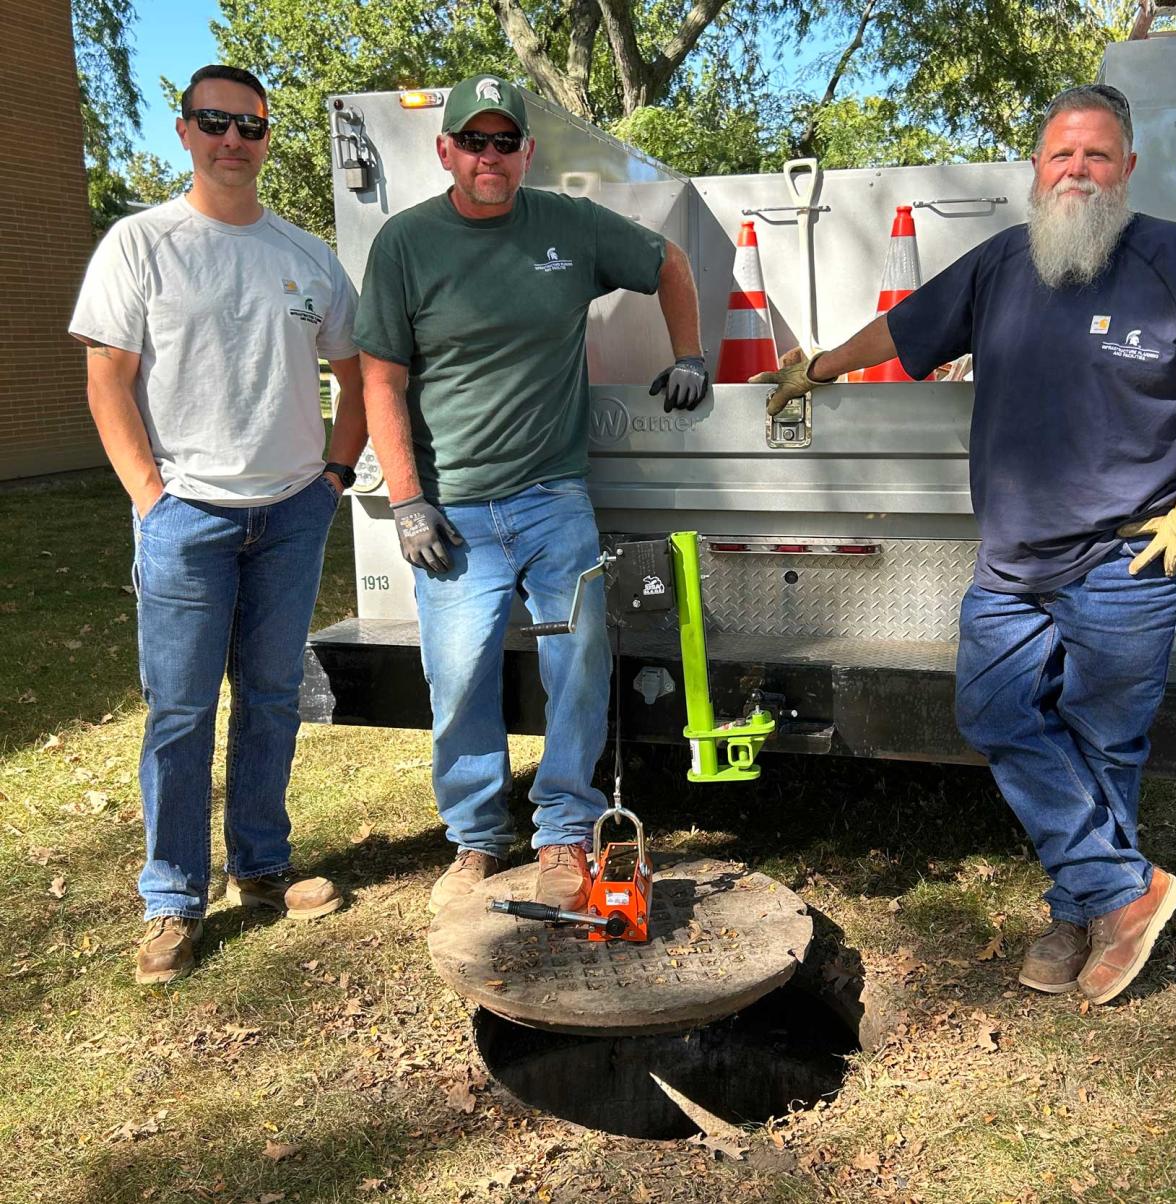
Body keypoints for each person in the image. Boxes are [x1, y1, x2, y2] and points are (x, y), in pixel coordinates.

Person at [756, 84, 1176, 1005]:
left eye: (1097, 156)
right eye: (1061, 155)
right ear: (1035, 171)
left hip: (1132, 559)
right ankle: (1122, 891)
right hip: (1012, 562)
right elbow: (905, 326)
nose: (1078, 171)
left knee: (1104, 742)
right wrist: (816, 366)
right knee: (996, 715)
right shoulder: (1003, 263)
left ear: (1127, 169)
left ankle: (1076, 911)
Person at [354, 73, 707, 917]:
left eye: (503, 141)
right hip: (453, 508)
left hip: (555, 497)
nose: (488, 155)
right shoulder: (405, 244)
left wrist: (691, 354)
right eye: (472, 141)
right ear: (445, 151)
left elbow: (669, 262)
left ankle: (562, 832)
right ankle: (475, 839)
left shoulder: (569, 227)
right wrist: (407, 501)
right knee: (458, 681)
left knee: (577, 667)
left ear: (526, 153)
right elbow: (380, 382)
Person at [69, 65, 367, 985]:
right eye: (215, 122)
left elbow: (357, 375)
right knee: (181, 712)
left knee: (273, 698)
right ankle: (171, 897)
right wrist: (150, 497)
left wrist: (334, 476)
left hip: (290, 512)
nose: (234, 139)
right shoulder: (143, 243)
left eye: (251, 125)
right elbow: (107, 379)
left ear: (268, 136)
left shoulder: (308, 256)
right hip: (185, 518)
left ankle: (261, 866)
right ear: (185, 130)